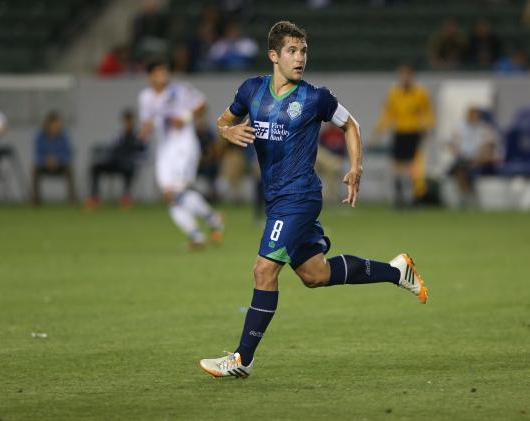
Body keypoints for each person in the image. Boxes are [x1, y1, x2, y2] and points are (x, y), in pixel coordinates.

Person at [199, 21, 428, 379]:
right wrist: (228, 131)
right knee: (315, 274)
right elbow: (222, 122)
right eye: (292, 51)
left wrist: (356, 167)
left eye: (304, 51)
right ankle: (397, 270)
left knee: (264, 269)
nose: (300, 57)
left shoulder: (315, 97)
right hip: (277, 199)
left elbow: (350, 124)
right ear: (274, 55)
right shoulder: (251, 91)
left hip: (300, 197)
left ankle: (242, 359)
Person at [138, 60, 224, 249]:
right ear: (150, 76)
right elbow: (148, 121)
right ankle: (210, 219)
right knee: (170, 195)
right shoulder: (146, 97)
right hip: (165, 149)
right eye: (159, 72)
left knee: (175, 194)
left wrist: (185, 117)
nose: (164, 75)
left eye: (165, 71)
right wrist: (142, 137)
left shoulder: (180, 90)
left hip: (184, 146)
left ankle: (197, 235)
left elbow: (202, 105)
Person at [371, 64, 434, 208]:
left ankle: (415, 197)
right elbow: (387, 114)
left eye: (407, 75)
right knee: (397, 166)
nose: (404, 78)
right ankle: (399, 198)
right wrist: (378, 132)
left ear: (412, 76)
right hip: (399, 132)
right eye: (402, 75)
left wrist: (428, 126)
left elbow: (427, 111)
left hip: (414, 132)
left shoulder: (420, 93)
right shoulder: (394, 93)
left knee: (414, 166)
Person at [85, 109, 146, 210]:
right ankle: (95, 197)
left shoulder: (139, 137)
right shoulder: (118, 135)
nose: (127, 124)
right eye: (126, 121)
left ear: (133, 122)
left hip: (128, 165)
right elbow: (111, 149)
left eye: (129, 121)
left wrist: (135, 160)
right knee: (96, 167)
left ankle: (126, 198)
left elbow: (143, 154)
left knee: (130, 169)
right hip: (115, 162)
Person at [448, 106, 499, 206]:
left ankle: (467, 197)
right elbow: (452, 144)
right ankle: (467, 196)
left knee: (465, 167)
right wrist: (460, 154)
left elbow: (490, 146)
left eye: (476, 116)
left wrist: (479, 158)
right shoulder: (460, 128)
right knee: (462, 167)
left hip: (480, 160)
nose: (474, 118)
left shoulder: (484, 128)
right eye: (472, 115)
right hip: (464, 159)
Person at [32, 111, 76, 205]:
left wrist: (58, 160)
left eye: (59, 124)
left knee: (70, 169)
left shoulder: (64, 136)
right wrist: (46, 160)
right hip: (44, 164)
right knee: (35, 169)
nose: (58, 126)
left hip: (61, 164)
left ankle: (72, 200)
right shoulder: (40, 136)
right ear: (48, 124)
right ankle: (36, 201)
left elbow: (69, 153)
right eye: (55, 124)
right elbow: (37, 154)